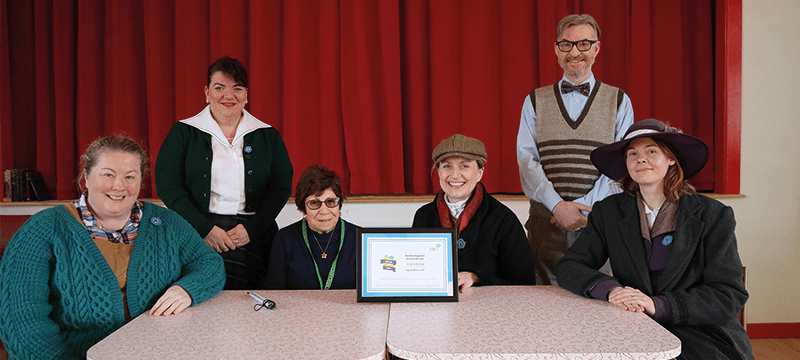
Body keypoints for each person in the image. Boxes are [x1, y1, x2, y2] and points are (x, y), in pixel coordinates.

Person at [0, 135, 225, 360]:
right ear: (86, 178)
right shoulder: (43, 229)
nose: (119, 186)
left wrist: (186, 290)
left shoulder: (165, 221)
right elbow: (22, 322)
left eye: (130, 176)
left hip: (160, 351)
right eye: (108, 174)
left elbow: (209, 263)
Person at [556, 119, 754, 359]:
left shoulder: (714, 215)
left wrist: (658, 305)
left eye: (651, 151)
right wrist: (610, 290)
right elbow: (570, 266)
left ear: (671, 159)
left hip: (700, 333)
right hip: (630, 325)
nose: (641, 159)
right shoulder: (608, 211)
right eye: (632, 154)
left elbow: (728, 294)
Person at [156, 56, 293, 290]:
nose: (228, 96)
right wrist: (206, 229)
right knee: (206, 299)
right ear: (207, 92)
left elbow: (281, 187)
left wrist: (252, 229)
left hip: (255, 233)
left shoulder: (267, 135)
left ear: (246, 95)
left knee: (256, 304)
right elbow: (168, 186)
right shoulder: (183, 132)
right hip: (201, 230)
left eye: (237, 88)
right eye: (219, 88)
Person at [517, 13, 634, 285]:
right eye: (566, 44)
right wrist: (558, 206)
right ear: (556, 49)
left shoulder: (619, 100)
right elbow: (526, 161)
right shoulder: (535, 100)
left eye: (583, 44)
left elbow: (622, 162)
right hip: (546, 222)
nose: (574, 52)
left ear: (596, 47)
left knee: (598, 298)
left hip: (599, 222)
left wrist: (584, 210)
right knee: (544, 303)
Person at [413, 134, 537, 293]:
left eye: (464, 166)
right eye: (447, 166)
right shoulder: (423, 216)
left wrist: (476, 277)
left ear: (480, 173)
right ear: (438, 172)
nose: (455, 175)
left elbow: (524, 283)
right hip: (435, 307)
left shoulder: (503, 219)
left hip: (489, 309)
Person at [264, 165, 358, 289]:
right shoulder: (284, 239)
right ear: (303, 209)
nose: (324, 211)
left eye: (330, 202)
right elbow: (273, 292)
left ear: (339, 205)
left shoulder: (360, 238)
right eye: (314, 203)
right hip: (296, 308)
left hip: (348, 308)